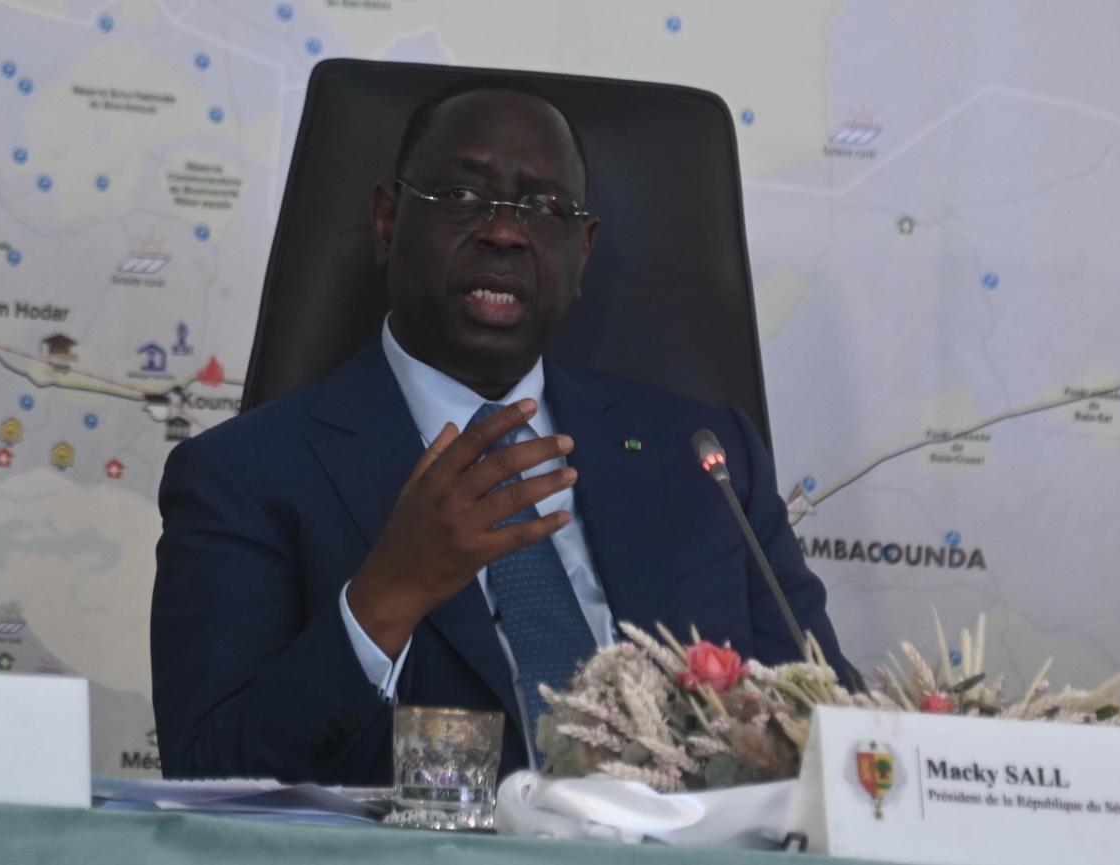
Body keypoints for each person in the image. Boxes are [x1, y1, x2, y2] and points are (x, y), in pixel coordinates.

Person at [151, 80, 849, 784]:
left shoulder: (708, 460)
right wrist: (388, 593)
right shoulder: (244, 475)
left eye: (545, 209)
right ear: (387, 220)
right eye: (461, 196)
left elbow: (826, 730)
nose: (505, 233)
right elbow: (211, 775)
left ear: (583, 249)